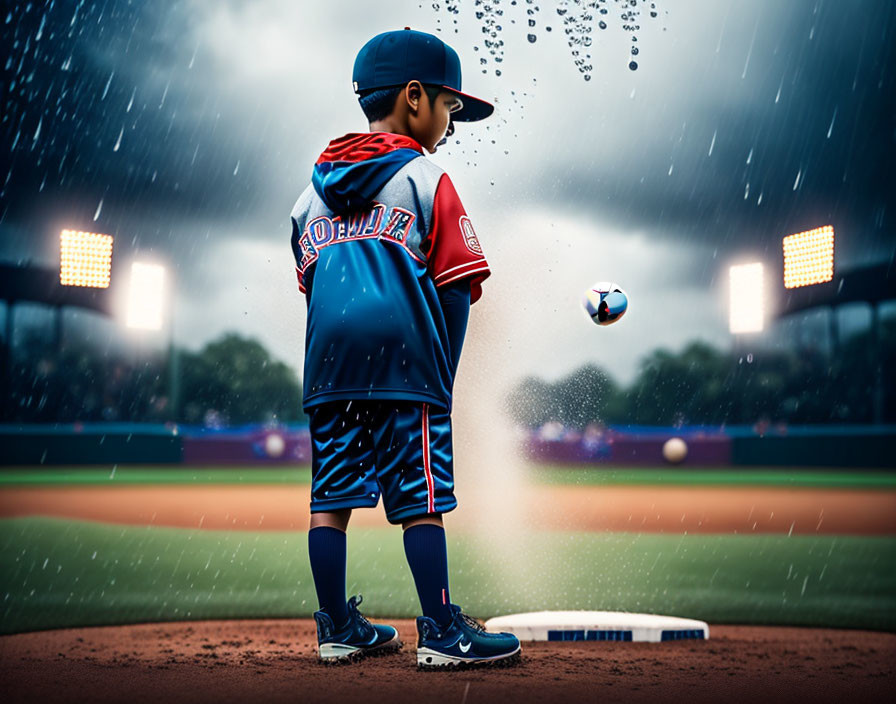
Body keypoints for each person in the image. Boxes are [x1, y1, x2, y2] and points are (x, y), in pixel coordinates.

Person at [289, 28, 521, 669]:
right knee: (420, 496)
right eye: (447, 107)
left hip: (329, 370)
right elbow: (453, 285)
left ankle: (335, 625)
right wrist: (440, 371)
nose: (448, 122)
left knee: (330, 499)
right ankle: (443, 630)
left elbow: (314, 288)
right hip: (405, 366)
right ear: (414, 98)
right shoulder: (426, 177)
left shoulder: (308, 196)